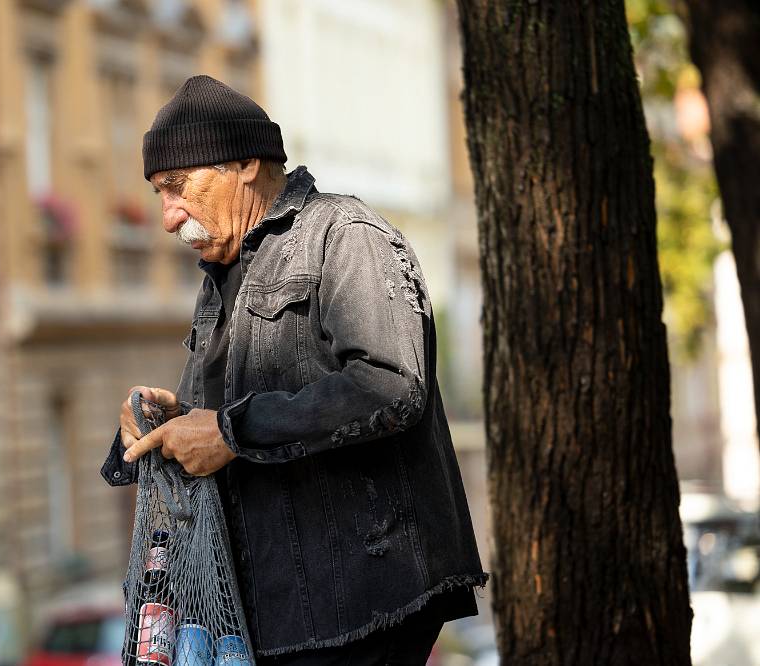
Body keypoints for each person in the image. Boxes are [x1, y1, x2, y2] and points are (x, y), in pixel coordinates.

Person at [101, 75, 487, 664]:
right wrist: (165, 420)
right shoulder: (224, 272)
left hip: (363, 601)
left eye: (177, 187)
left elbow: (391, 385)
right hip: (275, 613)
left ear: (246, 165)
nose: (168, 217)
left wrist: (232, 433)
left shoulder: (347, 235)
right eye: (157, 193)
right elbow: (218, 422)